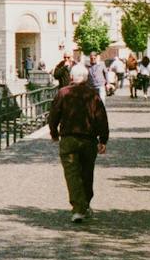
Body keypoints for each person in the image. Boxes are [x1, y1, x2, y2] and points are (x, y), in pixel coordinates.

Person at [47, 67, 110, 222]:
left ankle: (78, 208)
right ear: (86, 78)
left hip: (69, 139)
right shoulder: (92, 94)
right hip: (89, 140)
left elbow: (53, 115)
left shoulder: (63, 93)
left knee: (72, 175)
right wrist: (103, 140)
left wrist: (54, 133)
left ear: (72, 78)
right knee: (87, 173)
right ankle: (85, 204)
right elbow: (101, 118)